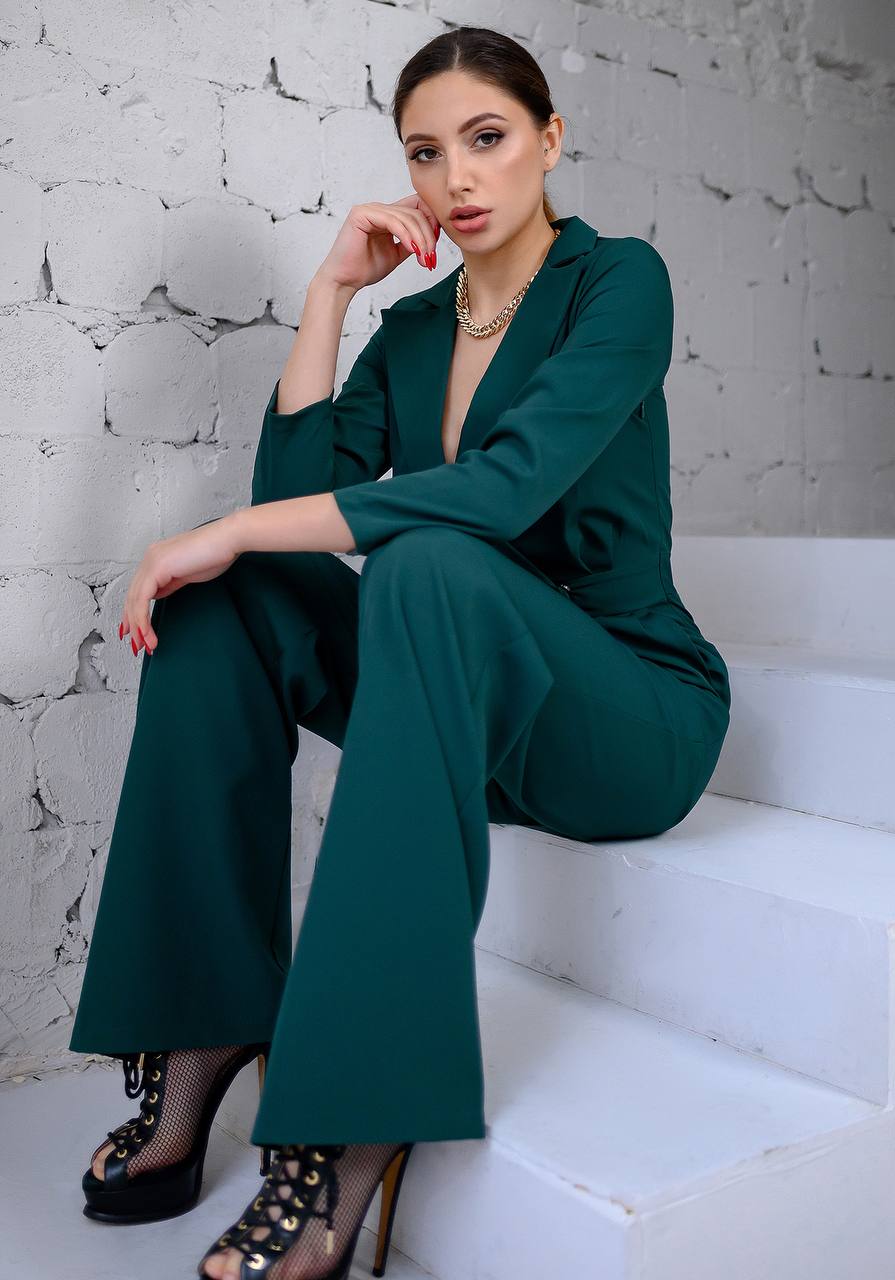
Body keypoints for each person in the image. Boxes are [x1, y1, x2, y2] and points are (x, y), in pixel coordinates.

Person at [67, 25, 731, 1280]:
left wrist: (220, 527)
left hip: (622, 710)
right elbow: (291, 509)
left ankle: (356, 1109)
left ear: (548, 139)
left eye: (486, 138)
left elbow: (504, 489)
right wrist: (331, 293)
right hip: (455, 697)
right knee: (229, 592)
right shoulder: (417, 326)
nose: (455, 178)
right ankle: (203, 1020)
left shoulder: (616, 283)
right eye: (425, 153)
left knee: (421, 555)